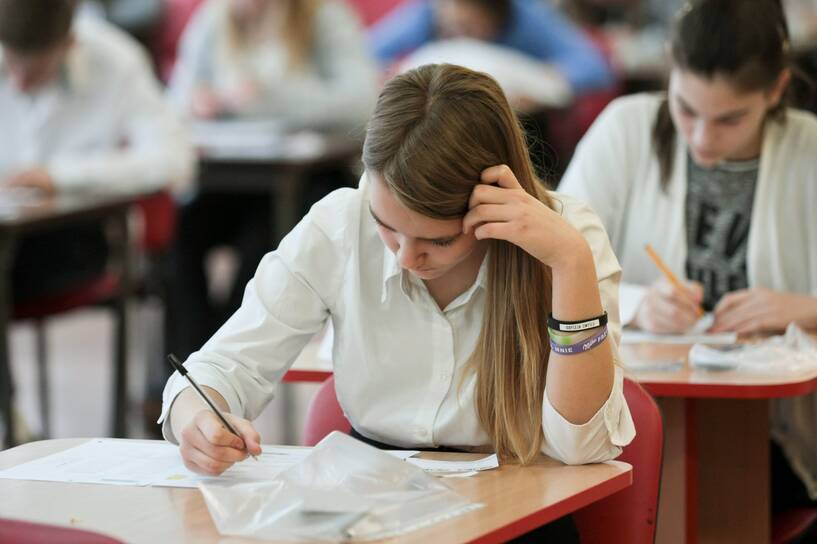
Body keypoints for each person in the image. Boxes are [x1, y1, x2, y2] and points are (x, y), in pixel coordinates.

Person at [159, 63, 634, 541]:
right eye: (386, 226)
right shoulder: (341, 224)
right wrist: (197, 420)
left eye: (439, 240)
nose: (407, 257)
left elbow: (582, 446)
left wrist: (570, 266)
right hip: (369, 513)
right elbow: (219, 368)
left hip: (519, 513)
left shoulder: (566, 236)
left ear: (494, 198)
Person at [559, 0, 817, 523]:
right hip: (631, 416)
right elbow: (552, 262)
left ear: (775, 90)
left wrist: (808, 307)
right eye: (685, 109)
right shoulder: (626, 129)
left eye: (730, 118)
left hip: (774, 431)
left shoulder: (807, 150)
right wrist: (633, 304)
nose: (701, 137)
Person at [161, 0, 379, 367]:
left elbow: (363, 101)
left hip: (305, 178)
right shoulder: (214, 18)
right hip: (233, 176)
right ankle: (187, 372)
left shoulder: (323, 16)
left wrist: (270, 96)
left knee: (260, 245)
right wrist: (197, 102)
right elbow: (175, 101)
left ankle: (223, 365)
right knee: (180, 237)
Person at [0, 0, 193, 303]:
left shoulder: (116, 61)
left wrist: (59, 175)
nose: (18, 83)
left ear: (69, 45)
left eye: (34, 70)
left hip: (70, 240)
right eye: (9, 64)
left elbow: (174, 160)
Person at [369, 0, 614, 95]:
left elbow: (594, 67)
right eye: (450, 29)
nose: (458, 38)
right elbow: (368, 53)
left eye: (469, 28)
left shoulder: (526, 17)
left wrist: (542, 82)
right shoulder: (427, 13)